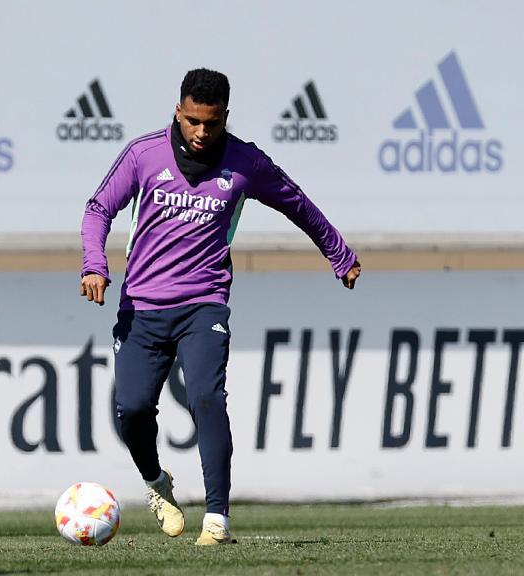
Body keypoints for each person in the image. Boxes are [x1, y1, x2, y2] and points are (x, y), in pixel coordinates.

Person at [79, 68, 361, 545]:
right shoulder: (143, 155)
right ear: (177, 111)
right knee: (131, 408)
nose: (201, 133)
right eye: (192, 121)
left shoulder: (245, 162)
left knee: (207, 396)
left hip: (203, 303)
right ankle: (155, 482)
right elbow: (98, 208)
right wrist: (94, 265)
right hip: (141, 307)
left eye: (211, 123)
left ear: (225, 116)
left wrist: (339, 253)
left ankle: (217, 518)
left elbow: (297, 204)